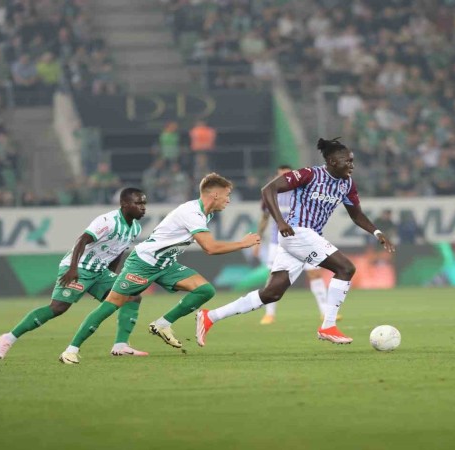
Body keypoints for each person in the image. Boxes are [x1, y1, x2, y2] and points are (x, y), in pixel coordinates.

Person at [195, 138, 396, 347]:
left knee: (271, 293)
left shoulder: (347, 184)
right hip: (298, 232)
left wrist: (377, 232)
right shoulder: (309, 174)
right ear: (332, 161)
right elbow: (268, 190)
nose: (352, 165)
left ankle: (210, 317)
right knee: (345, 268)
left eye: (352, 161)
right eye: (348, 161)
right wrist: (280, 221)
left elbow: (356, 214)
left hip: (303, 238)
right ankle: (328, 326)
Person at [58, 173, 260, 364]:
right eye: (227, 194)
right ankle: (70, 350)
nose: (229, 200)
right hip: (144, 263)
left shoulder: (205, 214)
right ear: (215, 194)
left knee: (205, 290)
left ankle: (162, 324)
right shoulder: (192, 213)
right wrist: (243, 243)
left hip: (165, 264)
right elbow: (210, 248)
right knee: (112, 304)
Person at [0, 187, 149, 360]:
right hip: (79, 267)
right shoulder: (108, 221)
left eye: (144, 203)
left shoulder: (135, 228)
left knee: (131, 297)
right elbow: (82, 240)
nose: (143, 207)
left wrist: (109, 275)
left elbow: (117, 251)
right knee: (58, 308)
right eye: (138, 203)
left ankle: (121, 345)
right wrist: (72, 269)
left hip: (100, 271)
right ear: (124, 204)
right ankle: (8, 338)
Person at [254, 165, 330, 325]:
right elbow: (264, 218)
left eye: (287, 175)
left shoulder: (303, 192)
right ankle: (269, 314)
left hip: (303, 241)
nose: (284, 179)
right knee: (273, 277)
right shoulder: (271, 193)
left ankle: (325, 313)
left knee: (314, 273)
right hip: (277, 242)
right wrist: (258, 240)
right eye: (281, 176)